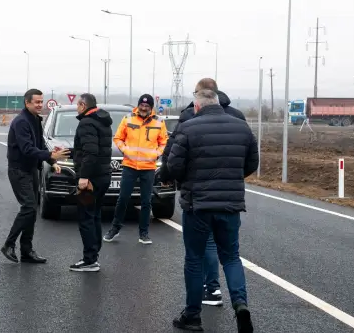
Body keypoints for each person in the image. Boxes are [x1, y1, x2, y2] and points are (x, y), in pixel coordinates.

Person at [167, 89, 258, 332]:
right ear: (218, 104)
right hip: (230, 205)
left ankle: (193, 316)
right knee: (230, 257)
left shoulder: (188, 128)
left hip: (198, 205)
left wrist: (180, 180)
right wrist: (230, 181)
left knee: (195, 259)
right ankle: (241, 305)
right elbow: (251, 164)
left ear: (197, 107)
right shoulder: (242, 127)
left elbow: (174, 166)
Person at [0, 89, 69, 263]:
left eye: (41, 101)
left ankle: (26, 250)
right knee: (29, 207)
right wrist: (51, 157)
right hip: (19, 170)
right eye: (36, 102)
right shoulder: (21, 122)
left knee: (32, 211)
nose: (40, 105)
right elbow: (27, 149)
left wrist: (52, 162)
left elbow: (40, 145)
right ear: (27, 102)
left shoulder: (36, 120)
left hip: (31, 169)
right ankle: (9, 244)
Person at [103, 94, 167, 245]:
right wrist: (125, 150)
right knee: (123, 198)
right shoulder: (128, 119)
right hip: (130, 165)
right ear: (138, 106)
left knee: (146, 201)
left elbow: (164, 142)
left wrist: (157, 154)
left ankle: (143, 233)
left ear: (151, 108)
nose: (144, 108)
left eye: (147, 106)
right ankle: (115, 228)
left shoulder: (159, 122)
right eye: (142, 105)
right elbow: (118, 138)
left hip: (148, 167)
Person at [70, 93, 113, 272]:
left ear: (82, 104)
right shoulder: (102, 120)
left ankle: (89, 260)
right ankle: (93, 255)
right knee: (95, 215)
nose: (76, 108)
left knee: (86, 217)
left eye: (77, 104)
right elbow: (92, 148)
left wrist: (83, 177)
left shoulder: (87, 122)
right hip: (103, 175)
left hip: (92, 179)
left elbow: (91, 152)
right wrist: (69, 151)